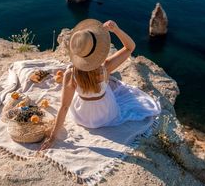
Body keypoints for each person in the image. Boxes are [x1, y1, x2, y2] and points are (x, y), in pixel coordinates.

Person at [40, 19, 161, 150]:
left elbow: (64, 107)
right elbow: (130, 47)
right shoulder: (105, 68)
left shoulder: (70, 74)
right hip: (106, 116)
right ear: (96, 51)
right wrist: (116, 30)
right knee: (113, 86)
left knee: (72, 96)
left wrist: (52, 137)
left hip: (82, 117)